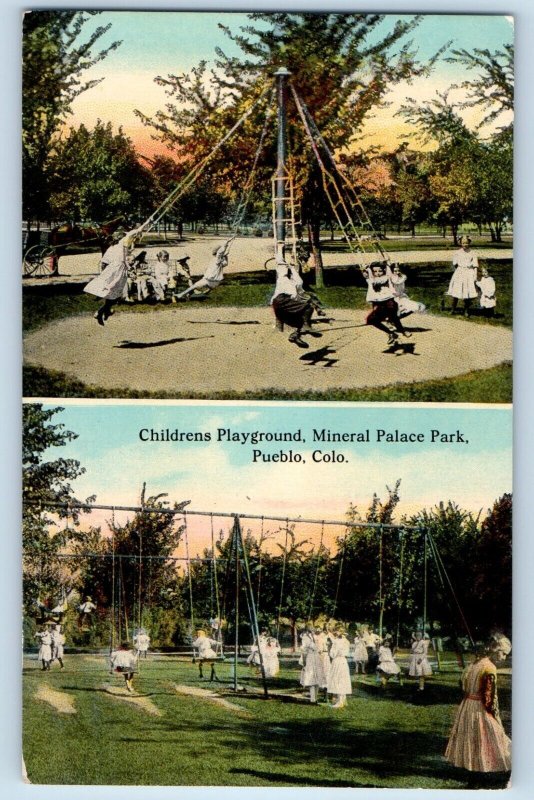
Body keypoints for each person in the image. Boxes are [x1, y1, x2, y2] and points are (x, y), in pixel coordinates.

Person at [445, 634, 511, 776]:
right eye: (503, 654)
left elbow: (462, 685)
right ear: (495, 650)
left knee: (471, 736)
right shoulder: (489, 668)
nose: (504, 658)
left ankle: (472, 765)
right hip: (479, 707)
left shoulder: (475, 663)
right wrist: (495, 714)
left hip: (467, 704)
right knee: (489, 734)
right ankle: (484, 766)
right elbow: (489, 697)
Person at [84, 227, 142, 324]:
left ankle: (104, 311)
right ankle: (102, 311)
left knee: (113, 294)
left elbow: (106, 262)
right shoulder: (119, 247)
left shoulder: (114, 248)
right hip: (114, 272)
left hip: (112, 271)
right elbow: (109, 262)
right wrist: (140, 228)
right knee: (114, 294)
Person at [361, 262, 411, 346]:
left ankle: (402, 330)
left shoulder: (386, 277)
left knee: (393, 315)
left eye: (380, 271)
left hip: (388, 301)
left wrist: (370, 270)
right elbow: (367, 277)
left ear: (384, 271)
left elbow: (374, 281)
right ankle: (391, 333)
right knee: (371, 320)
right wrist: (364, 269)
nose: (377, 273)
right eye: (375, 272)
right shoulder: (370, 277)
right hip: (377, 303)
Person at [271, 257, 316, 346]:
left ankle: (295, 335)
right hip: (281, 300)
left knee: (299, 320)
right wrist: (290, 266)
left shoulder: (297, 283)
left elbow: (296, 276)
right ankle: (306, 325)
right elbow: (281, 264)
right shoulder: (282, 278)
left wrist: (292, 267)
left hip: (280, 307)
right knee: (308, 307)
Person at [446, 235, 479, 315]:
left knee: (467, 292)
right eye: (463, 243)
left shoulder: (473, 253)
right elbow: (455, 264)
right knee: (456, 292)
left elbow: (475, 265)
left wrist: (474, 275)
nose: (465, 245)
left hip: (469, 273)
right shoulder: (457, 253)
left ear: (469, 243)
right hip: (460, 273)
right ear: (460, 243)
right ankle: (453, 309)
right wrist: (460, 270)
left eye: (467, 243)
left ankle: (466, 310)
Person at [327, 628, 352, 708]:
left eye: (339, 631)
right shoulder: (339, 641)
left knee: (340, 679)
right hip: (339, 661)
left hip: (340, 661)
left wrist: (334, 650)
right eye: (336, 631)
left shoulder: (342, 641)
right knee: (339, 679)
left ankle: (341, 701)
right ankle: (340, 700)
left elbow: (339, 653)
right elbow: (333, 653)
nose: (337, 633)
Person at [299, 626, 325, 703]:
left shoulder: (315, 637)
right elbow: (304, 649)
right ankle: (312, 699)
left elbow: (319, 648)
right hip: (310, 658)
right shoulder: (305, 638)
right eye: (311, 630)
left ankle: (315, 698)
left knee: (317, 677)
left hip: (316, 657)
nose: (313, 631)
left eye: (313, 630)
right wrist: (304, 662)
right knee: (311, 677)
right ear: (307, 631)